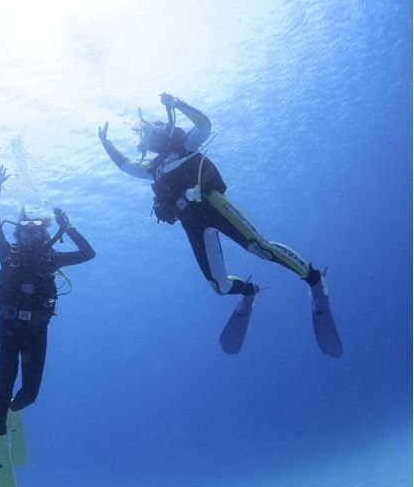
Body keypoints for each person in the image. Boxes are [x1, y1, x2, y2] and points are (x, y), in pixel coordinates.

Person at [98, 94, 341, 357]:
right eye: (143, 136)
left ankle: (315, 280)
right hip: (191, 222)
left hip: (212, 204)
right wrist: (106, 143)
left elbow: (205, 124)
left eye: (149, 131)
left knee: (260, 248)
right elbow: (125, 166)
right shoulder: (152, 169)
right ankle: (248, 292)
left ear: (161, 128)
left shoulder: (184, 143)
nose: (146, 137)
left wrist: (177, 103)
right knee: (219, 286)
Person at [0, 164, 96, 487]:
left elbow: (89, 254)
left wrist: (70, 225)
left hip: (38, 330)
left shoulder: (52, 259)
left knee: (29, 393)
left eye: (36, 231)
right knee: (4, 377)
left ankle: (13, 410)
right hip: (9, 327)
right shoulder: (8, 255)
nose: (30, 237)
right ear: (19, 235)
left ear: (45, 234)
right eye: (25, 231)